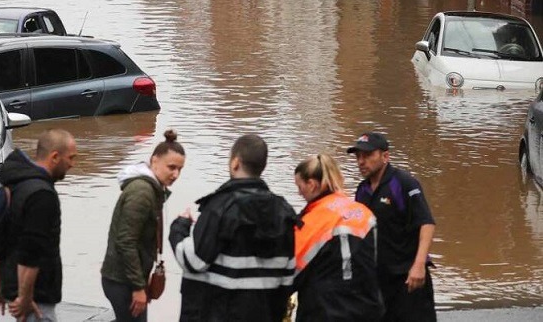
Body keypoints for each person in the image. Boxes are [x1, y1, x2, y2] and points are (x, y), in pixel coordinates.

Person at [169, 134, 298, 321]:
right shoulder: (284, 211)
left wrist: (179, 228)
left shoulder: (219, 207)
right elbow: (288, 279)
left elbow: (193, 261)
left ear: (235, 163)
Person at [349, 132, 436, 322]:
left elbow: (426, 223)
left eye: (367, 155)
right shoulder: (361, 191)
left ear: (385, 156)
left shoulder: (404, 183)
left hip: (408, 278)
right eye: (358, 157)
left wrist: (419, 265)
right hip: (379, 280)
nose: (361, 162)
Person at [101, 130, 186, 322]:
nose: (176, 174)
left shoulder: (151, 190)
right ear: (154, 161)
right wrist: (138, 287)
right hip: (122, 281)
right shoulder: (142, 193)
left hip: (124, 279)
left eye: (180, 169)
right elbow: (125, 242)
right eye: (171, 167)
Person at [0, 129, 78, 322]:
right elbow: (32, 252)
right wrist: (25, 296)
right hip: (36, 296)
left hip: (12, 284)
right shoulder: (42, 195)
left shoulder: (10, 182)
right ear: (55, 157)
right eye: (71, 158)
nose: (72, 164)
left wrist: (0, 283)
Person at [292, 154, 383, 321]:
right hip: (367, 308)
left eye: (300, 186)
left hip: (324, 311)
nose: (299, 193)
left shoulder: (309, 222)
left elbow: (291, 272)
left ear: (312, 185)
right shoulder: (364, 214)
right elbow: (375, 262)